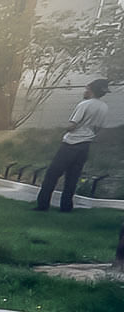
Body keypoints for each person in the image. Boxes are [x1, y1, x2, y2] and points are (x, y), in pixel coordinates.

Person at [35, 79, 111, 212]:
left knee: (52, 174)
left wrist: (62, 130)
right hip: (85, 145)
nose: (85, 91)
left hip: (71, 143)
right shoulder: (104, 107)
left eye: (86, 89)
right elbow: (98, 128)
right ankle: (66, 207)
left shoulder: (84, 104)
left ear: (91, 90)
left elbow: (72, 125)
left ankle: (43, 204)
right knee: (72, 177)